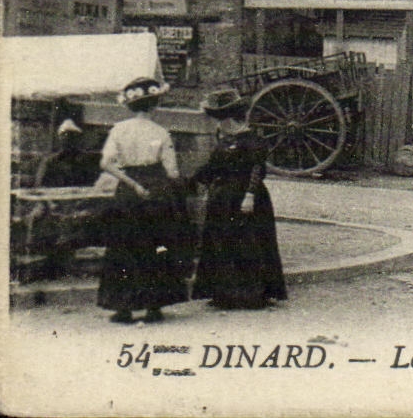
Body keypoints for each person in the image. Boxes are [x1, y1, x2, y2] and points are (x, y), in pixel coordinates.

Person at [97, 75, 190, 324]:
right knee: (155, 244)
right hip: (156, 189)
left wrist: (131, 182)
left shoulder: (119, 129)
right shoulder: (160, 132)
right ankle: (153, 307)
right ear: (154, 104)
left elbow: (106, 163)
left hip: (127, 192)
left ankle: (124, 308)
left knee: (124, 245)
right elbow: (172, 172)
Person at [191, 87, 288, 310]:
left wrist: (250, 195)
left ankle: (251, 294)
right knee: (222, 243)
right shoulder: (225, 141)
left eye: (219, 119)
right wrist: (193, 181)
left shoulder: (252, 140)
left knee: (248, 244)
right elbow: (213, 168)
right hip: (223, 199)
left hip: (246, 198)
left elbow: (257, 168)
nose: (216, 124)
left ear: (228, 119)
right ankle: (224, 293)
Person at [34, 119, 102, 188]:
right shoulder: (50, 162)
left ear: (78, 139)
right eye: (65, 136)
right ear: (60, 139)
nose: (68, 140)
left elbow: (91, 184)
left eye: (72, 136)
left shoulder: (85, 161)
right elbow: (40, 185)